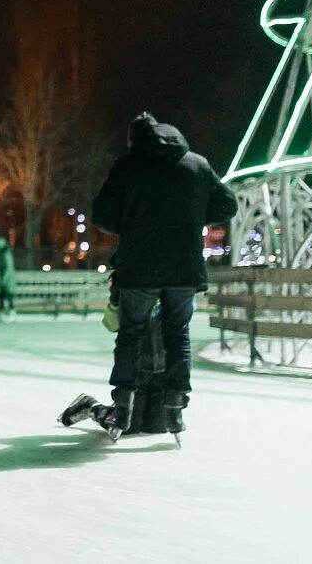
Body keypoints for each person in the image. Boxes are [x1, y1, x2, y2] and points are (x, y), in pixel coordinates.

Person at [90, 112, 237, 441]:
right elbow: (227, 204)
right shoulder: (196, 164)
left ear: (136, 141)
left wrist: (130, 225)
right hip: (183, 266)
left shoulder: (128, 167)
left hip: (139, 264)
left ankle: (124, 404)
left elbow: (101, 214)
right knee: (178, 335)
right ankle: (174, 406)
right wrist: (193, 217)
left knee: (130, 334)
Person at [58, 261, 168, 436]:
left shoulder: (171, 287)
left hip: (162, 370)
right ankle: (90, 406)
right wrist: (115, 301)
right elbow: (111, 324)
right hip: (137, 370)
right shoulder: (129, 286)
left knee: (157, 428)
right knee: (128, 427)